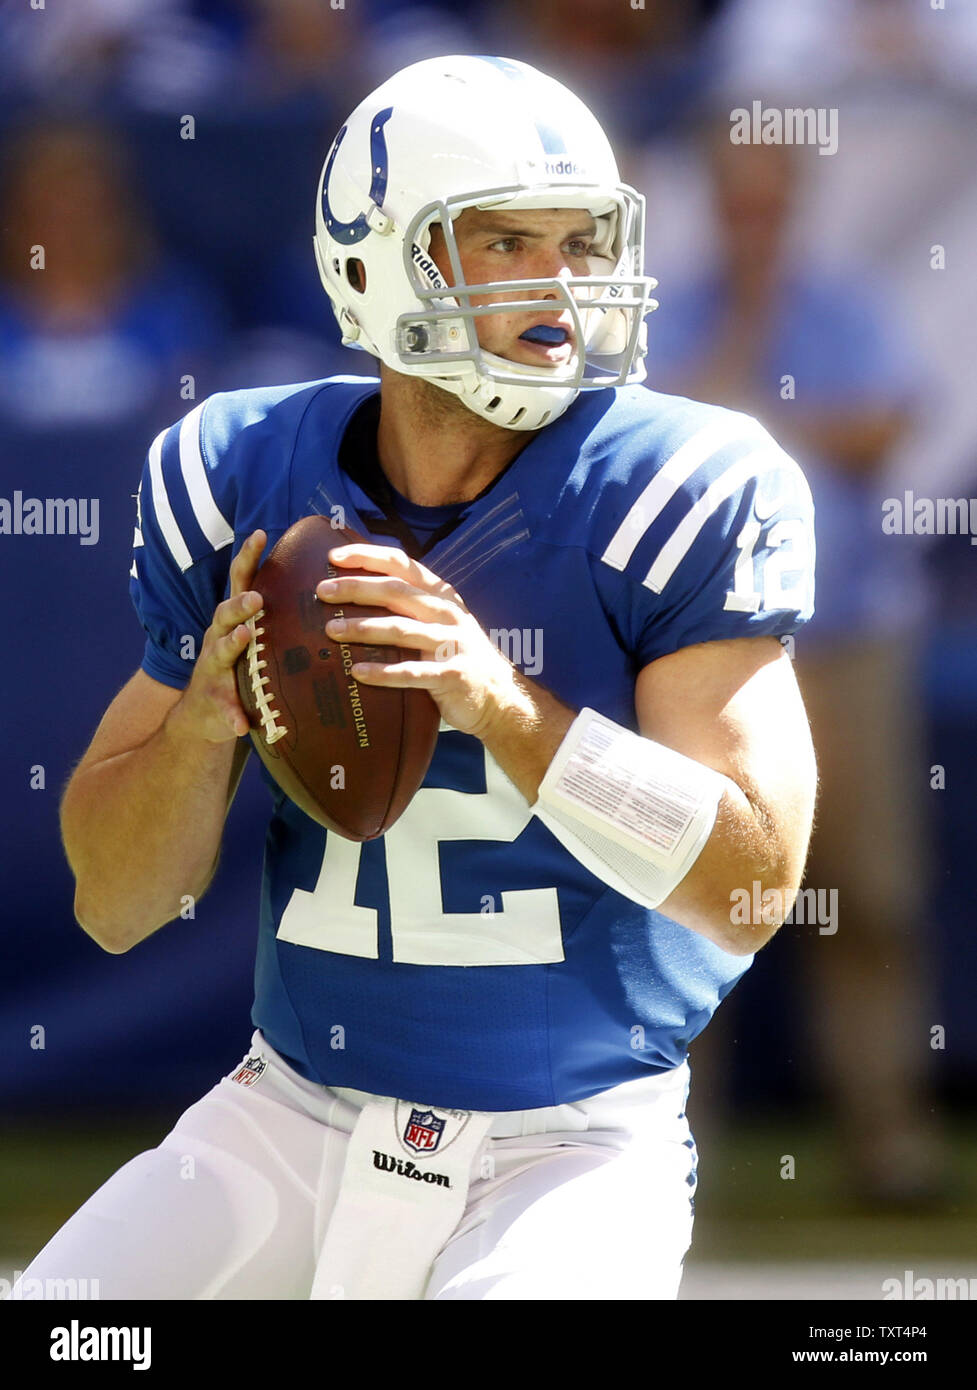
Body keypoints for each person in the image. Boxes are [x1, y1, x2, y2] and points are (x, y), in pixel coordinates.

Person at [10, 56, 816, 1301]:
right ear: (375, 261)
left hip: (568, 1149)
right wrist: (205, 720)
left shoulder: (678, 486)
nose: (561, 285)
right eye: (504, 240)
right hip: (291, 1117)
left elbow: (752, 886)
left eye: (580, 238)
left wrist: (501, 707)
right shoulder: (240, 482)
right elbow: (114, 901)